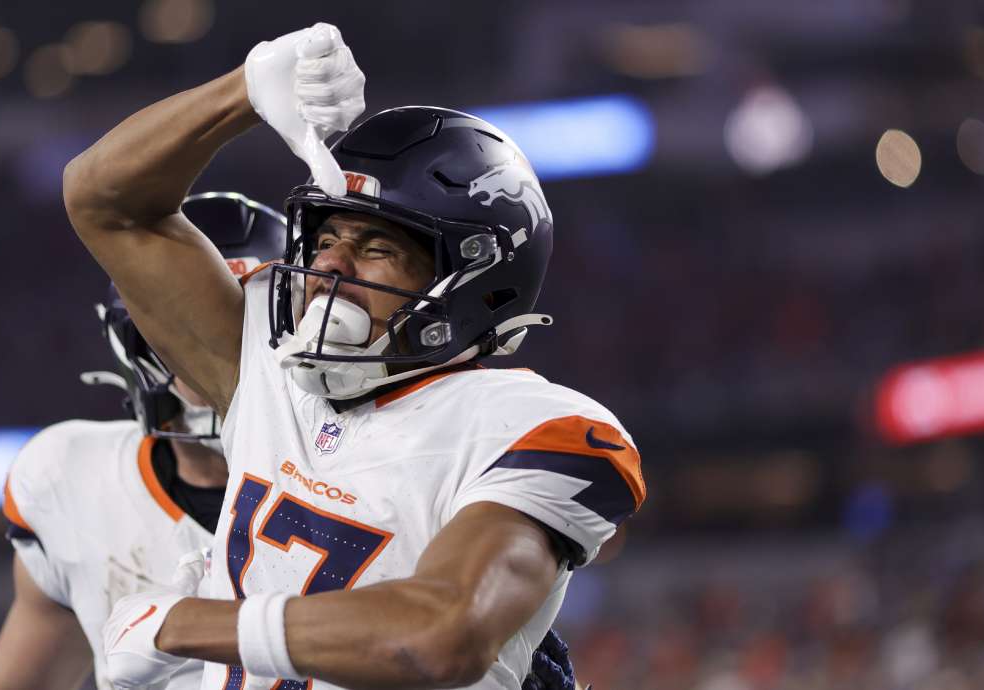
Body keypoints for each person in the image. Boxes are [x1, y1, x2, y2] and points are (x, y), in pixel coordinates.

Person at [63, 22, 643, 690]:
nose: (329, 267)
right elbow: (104, 202)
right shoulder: (267, 360)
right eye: (326, 236)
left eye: (376, 248)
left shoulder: (531, 428)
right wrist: (244, 90)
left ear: (473, 282)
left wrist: (184, 624)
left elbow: (436, 637)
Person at [0, 193, 285, 690]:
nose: (221, 354)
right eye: (189, 330)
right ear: (137, 346)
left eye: (243, 327)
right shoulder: (70, 480)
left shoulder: (363, 469)